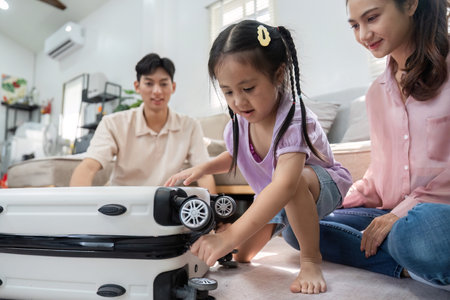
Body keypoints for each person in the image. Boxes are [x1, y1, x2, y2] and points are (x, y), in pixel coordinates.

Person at [165, 20, 352, 294]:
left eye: (248, 88)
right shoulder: (237, 125)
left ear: (278, 75)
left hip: (319, 186)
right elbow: (237, 153)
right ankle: (280, 228)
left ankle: (311, 259)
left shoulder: (293, 118)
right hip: (275, 192)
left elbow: (287, 184)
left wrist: (229, 235)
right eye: (228, 92)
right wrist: (204, 167)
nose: (238, 102)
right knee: (241, 255)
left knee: (291, 182)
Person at [319, 0, 450, 291]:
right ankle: (408, 267)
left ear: (411, 4)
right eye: (355, 25)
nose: (363, 35)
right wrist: (339, 200)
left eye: (372, 18)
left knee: (417, 233)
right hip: (394, 215)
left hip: (436, 217)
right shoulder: (376, 94)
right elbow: (380, 172)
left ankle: (405, 253)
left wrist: (400, 214)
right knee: (302, 228)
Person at [70, 53, 216, 192]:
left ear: (173, 87)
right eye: (149, 83)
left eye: (164, 84)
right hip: (121, 202)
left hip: (165, 203)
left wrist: (214, 216)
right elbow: (89, 167)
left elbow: (203, 173)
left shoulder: (190, 126)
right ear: (137, 86)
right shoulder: (113, 123)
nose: (157, 91)